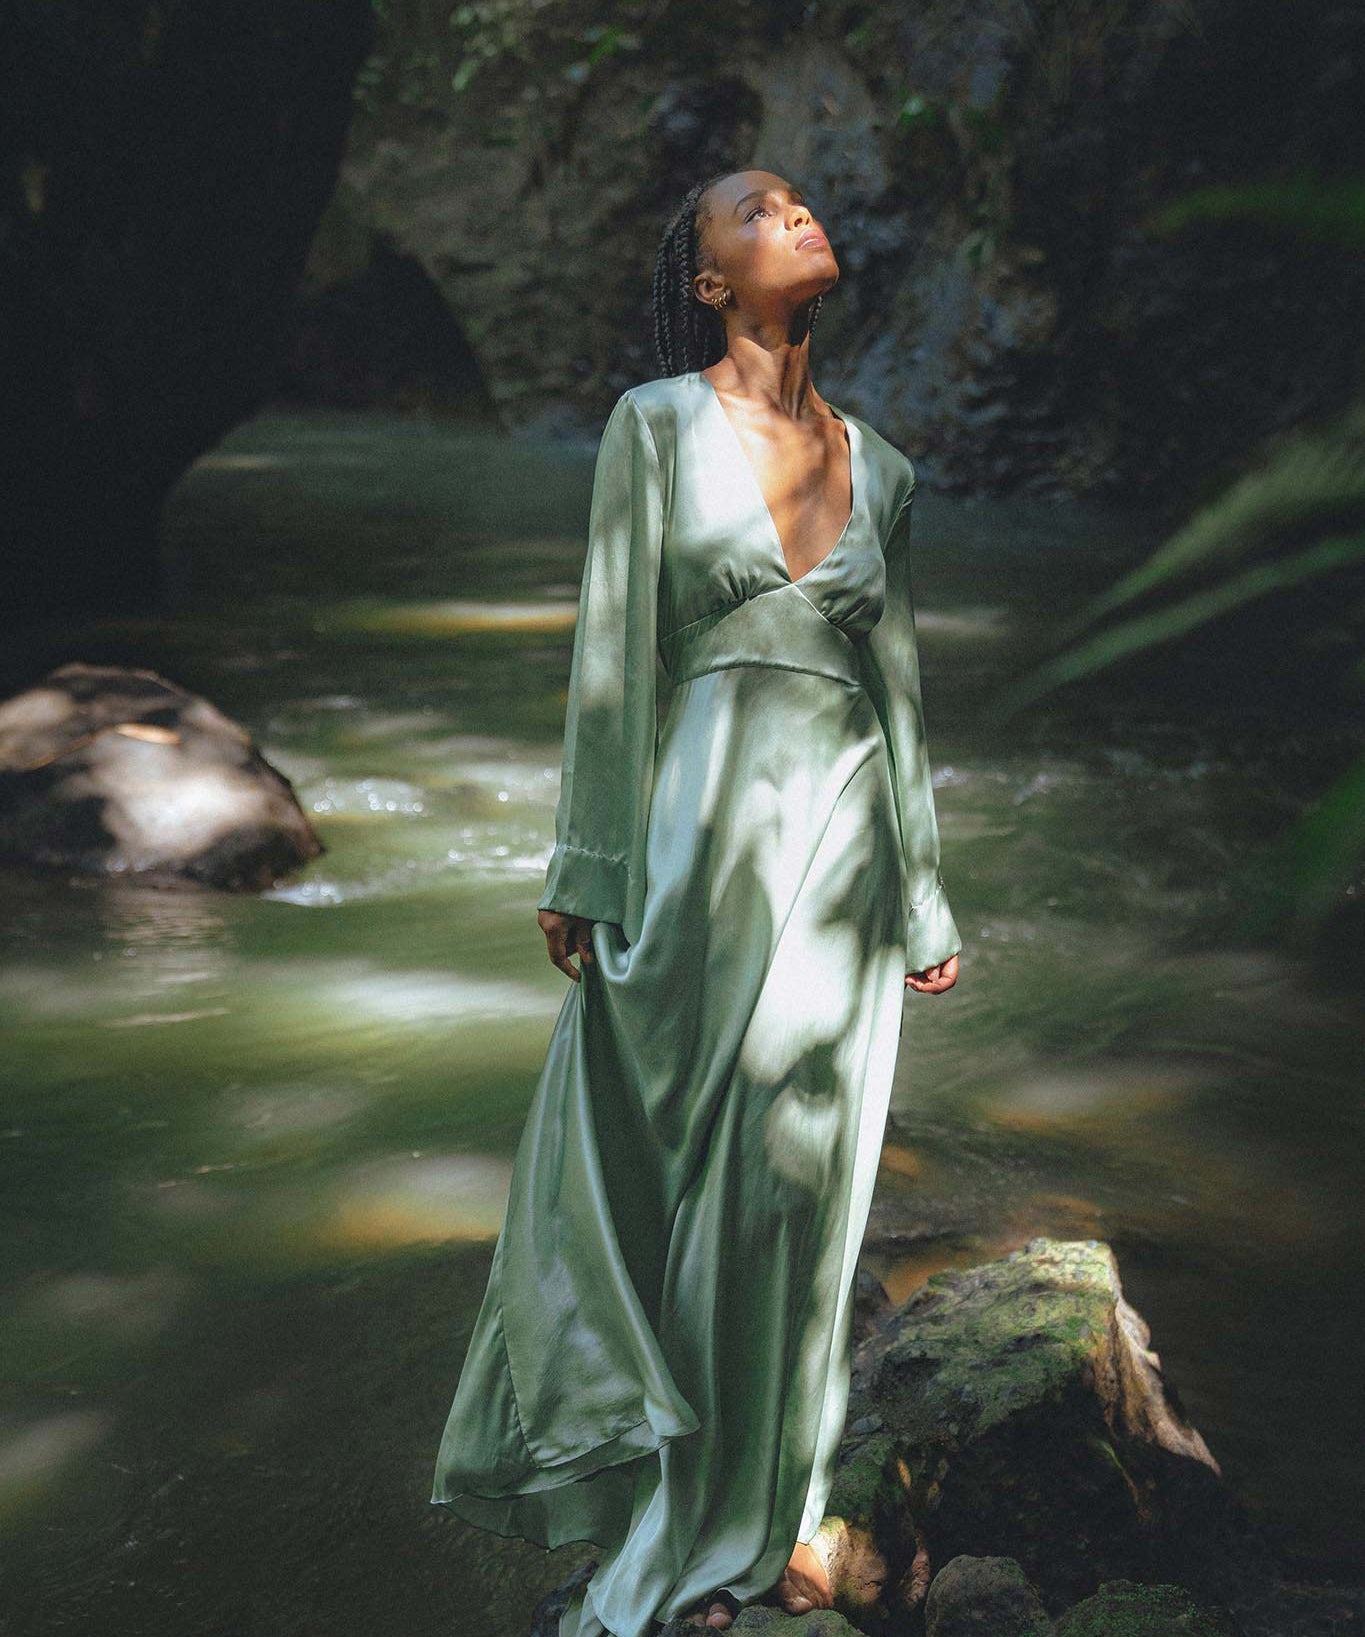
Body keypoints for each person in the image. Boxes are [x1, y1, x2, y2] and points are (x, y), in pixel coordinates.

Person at [430, 167, 962, 1637]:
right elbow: (615, 657)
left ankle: (769, 1517)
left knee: (792, 1191)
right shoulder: (652, 424)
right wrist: (583, 866)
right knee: (646, 1182)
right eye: (754, 206)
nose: (790, 210)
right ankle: (672, 1512)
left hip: (844, 855)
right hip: (688, 844)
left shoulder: (888, 470)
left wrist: (924, 896)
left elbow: (897, 698)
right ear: (712, 282)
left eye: (796, 196)